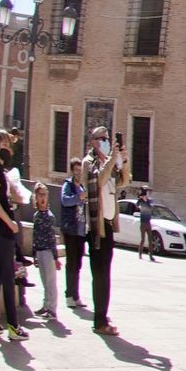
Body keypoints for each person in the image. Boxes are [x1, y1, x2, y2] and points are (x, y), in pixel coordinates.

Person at [82, 126, 130, 336]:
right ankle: (99, 321)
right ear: (93, 141)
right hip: (96, 226)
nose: (105, 141)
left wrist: (123, 160)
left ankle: (103, 314)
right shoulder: (88, 163)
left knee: (106, 274)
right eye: (101, 138)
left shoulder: (109, 163)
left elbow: (124, 181)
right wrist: (111, 160)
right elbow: (98, 181)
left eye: (107, 138)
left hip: (108, 224)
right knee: (99, 274)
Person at [0, 137, 25, 340]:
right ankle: (13, 326)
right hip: (2, 231)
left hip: (0, 230)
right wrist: (10, 222)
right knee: (8, 276)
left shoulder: (2, 171)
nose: (9, 150)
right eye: (5, 145)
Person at [59, 159, 88, 309]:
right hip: (70, 229)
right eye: (76, 170)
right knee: (71, 263)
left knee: (78, 264)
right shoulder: (68, 185)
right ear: (72, 171)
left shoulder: (82, 186)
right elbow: (65, 201)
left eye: (80, 170)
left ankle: (76, 295)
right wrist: (79, 198)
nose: (78, 173)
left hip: (81, 231)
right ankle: (69, 295)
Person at [30, 182, 58, 320]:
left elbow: (52, 238)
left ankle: (52, 308)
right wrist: (34, 253)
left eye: (44, 195)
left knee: (50, 281)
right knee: (44, 281)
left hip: (48, 251)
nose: (42, 198)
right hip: (40, 251)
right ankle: (46, 305)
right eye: (40, 195)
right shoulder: (36, 215)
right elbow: (34, 235)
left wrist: (56, 257)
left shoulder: (50, 216)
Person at [135, 186, 158, 263]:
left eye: (146, 194)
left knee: (150, 239)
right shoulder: (140, 201)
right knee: (143, 239)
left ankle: (151, 255)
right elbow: (136, 205)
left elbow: (151, 207)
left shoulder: (149, 201)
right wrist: (140, 200)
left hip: (148, 222)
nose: (145, 195)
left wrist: (146, 201)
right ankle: (140, 253)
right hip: (143, 222)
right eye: (144, 194)